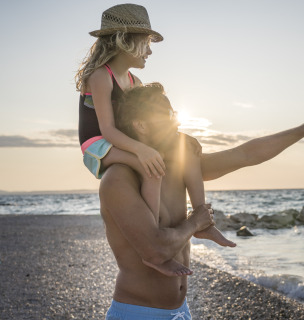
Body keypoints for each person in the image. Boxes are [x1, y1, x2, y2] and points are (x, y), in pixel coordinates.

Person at [101, 82, 304, 319]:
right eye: (165, 116)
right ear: (141, 126)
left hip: (181, 311)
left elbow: (245, 154)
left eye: (173, 113)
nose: (175, 123)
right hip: (138, 313)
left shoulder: (177, 165)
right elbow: (155, 250)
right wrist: (195, 223)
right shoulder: (119, 179)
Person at [76, 4, 235, 278]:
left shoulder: (134, 80)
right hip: (98, 145)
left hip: (123, 140)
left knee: (184, 150)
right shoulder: (101, 76)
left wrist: (180, 137)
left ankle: (202, 220)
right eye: (146, 44)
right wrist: (142, 150)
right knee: (149, 165)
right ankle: (151, 248)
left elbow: (145, 123)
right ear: (125, 41)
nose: (150, 51)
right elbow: (108, 130)